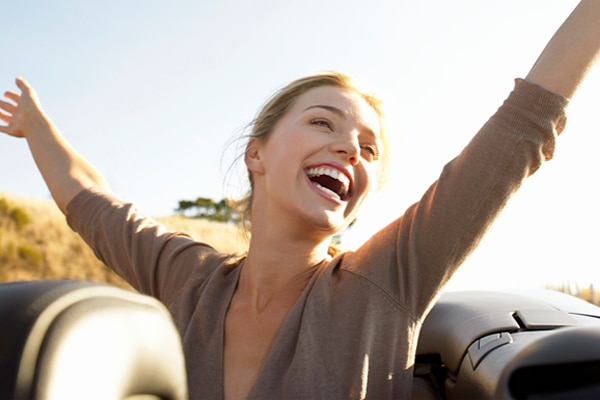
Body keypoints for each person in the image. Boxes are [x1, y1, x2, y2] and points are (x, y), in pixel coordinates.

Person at [1, 2, 599, 399]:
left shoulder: (387, 279)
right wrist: (35, 127)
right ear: (256, 154)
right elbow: (89, 200)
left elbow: (520, 129)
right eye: (322, 122)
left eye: (370, 149)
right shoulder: (188, 278)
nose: (351, 149)